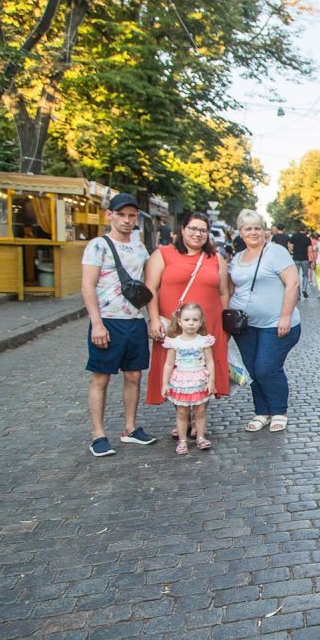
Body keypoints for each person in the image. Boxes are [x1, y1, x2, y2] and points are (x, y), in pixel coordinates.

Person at [80, 193, 157, 457]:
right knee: (101, 378)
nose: (126, 220)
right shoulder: (98, 245)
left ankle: (130, 428)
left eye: (131, 215)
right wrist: (97, 323)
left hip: (133, 321)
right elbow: (87, 286)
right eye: (121, 214)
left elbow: (146, 286)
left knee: (134, 376)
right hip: (108, 321)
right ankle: (98, 434)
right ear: (110, 215)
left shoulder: (139, 247)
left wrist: (151, 317)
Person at [144, 211, 230, 439]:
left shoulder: (216, 259)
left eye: (203, 230)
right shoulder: (163, 254)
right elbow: (150, 289)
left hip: (208, 324)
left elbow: (223, 292)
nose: (197, 234)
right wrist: (153, 319)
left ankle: (197, 419)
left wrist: (222, 325)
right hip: (175, 327)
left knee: (202, 369)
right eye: (193, 228)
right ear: (182, 229)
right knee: (178, 370)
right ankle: (183, 415)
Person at [229, 210, 301, 433]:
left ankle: (279, 411)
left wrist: (285, 316)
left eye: (257, 228)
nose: (253, 232)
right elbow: (232, 287)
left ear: (265, 230)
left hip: (276, 323)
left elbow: (293, 283)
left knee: (266, 367)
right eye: (248, 228)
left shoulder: (275, 252)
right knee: (252, 369)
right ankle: (262, 411)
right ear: (240, 232)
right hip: (245, 326)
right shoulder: (237, 258)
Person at [160, 303, 215, 454]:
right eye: (187, 319)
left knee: (200, 411)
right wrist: (164, 383)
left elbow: (210, 362)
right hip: (181, 381)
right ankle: (182, 440)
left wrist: (211, 381)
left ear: (201, 321)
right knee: (182, 412)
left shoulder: (204, 341)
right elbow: (168, 364)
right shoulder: (174, 342)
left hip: (199, 379)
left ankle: (201, 437)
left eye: (195, 320)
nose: (191, 323)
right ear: (179, 321)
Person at [288, 224, 311, 299]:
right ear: (305, 230)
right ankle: (304, 289)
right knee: (305, 275)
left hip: (296, 258)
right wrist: (312, 260)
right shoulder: (307, 238)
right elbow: (310, 250)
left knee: (296, 276)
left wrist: (291, 251)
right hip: (305, 258)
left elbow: (290, 246)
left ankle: (298, 294)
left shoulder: (294, 236)